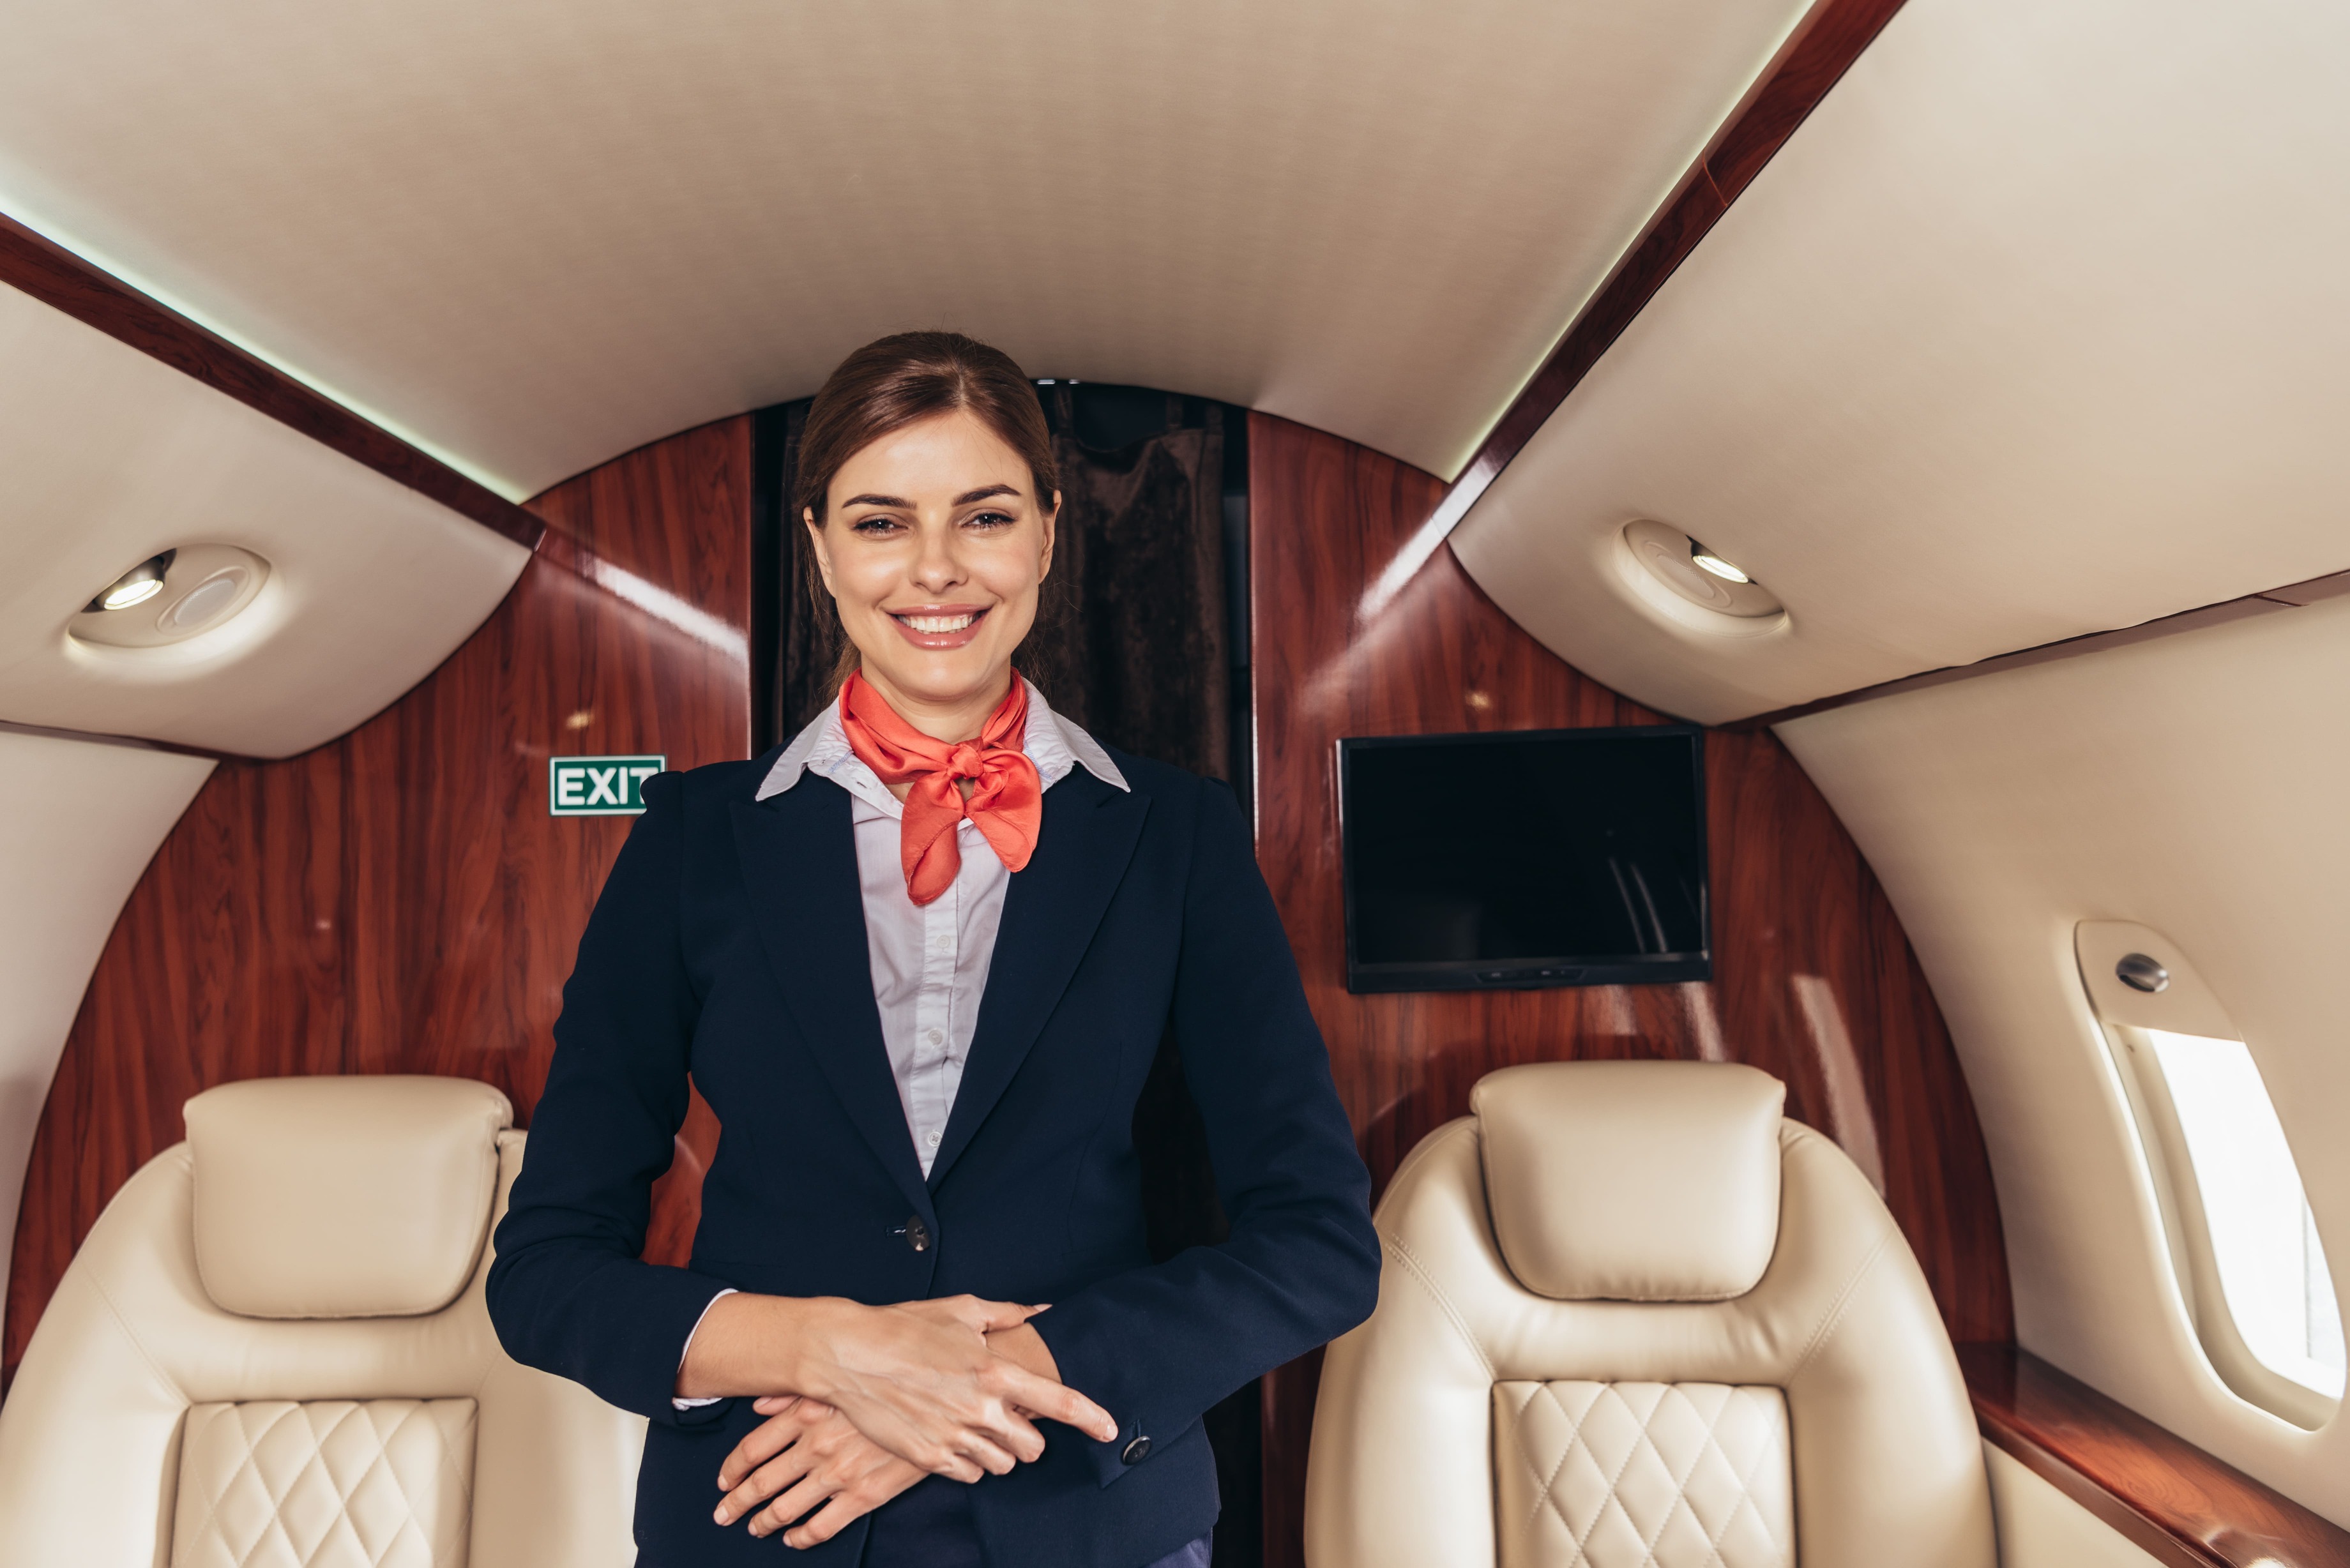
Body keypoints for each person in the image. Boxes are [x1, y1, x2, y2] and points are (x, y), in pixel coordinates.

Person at [487, 330, 1379, 1567]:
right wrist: (830, 1353)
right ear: (818, 548)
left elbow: (1321, 1249)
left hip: (1087, 1511)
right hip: (767, 1509)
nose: (937, 569)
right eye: (880, 521)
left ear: (1050, 534)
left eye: (985, 515)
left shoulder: (1178, 835)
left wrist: (981, 1382)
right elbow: (542, 1275)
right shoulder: (693, 842)